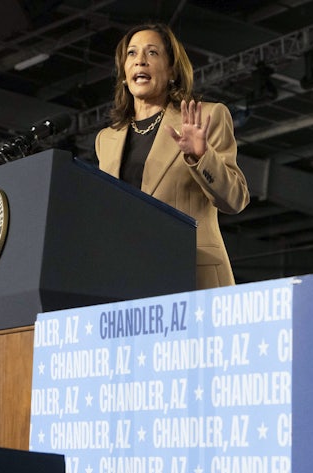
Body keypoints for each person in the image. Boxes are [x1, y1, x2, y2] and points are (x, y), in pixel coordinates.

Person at [95, 23, 249, 289]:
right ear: (123, 73)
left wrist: (201, 156)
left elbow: (235, 200)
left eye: (152, 53)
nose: (140, 60)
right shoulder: (106, 139)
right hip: (129, 277)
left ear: (172, 70)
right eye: (132, 54)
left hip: (190, 273)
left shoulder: (208, 117)